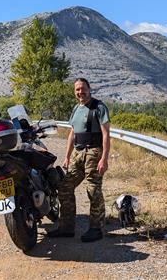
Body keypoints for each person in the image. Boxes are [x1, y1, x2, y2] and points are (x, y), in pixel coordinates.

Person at [47, 77, 110, 242]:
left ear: (89, 89)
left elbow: (106, 134)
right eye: (77, 90)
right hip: (78, 152)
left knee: (93, 190)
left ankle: (96, 229)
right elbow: (72, 134)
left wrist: (104, 158)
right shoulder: (76, 108)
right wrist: (67, 157)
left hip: (93, 153)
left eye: (83, 89)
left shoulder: (99, 107)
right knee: (65, 186)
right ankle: (66, 228)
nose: (80, 92)